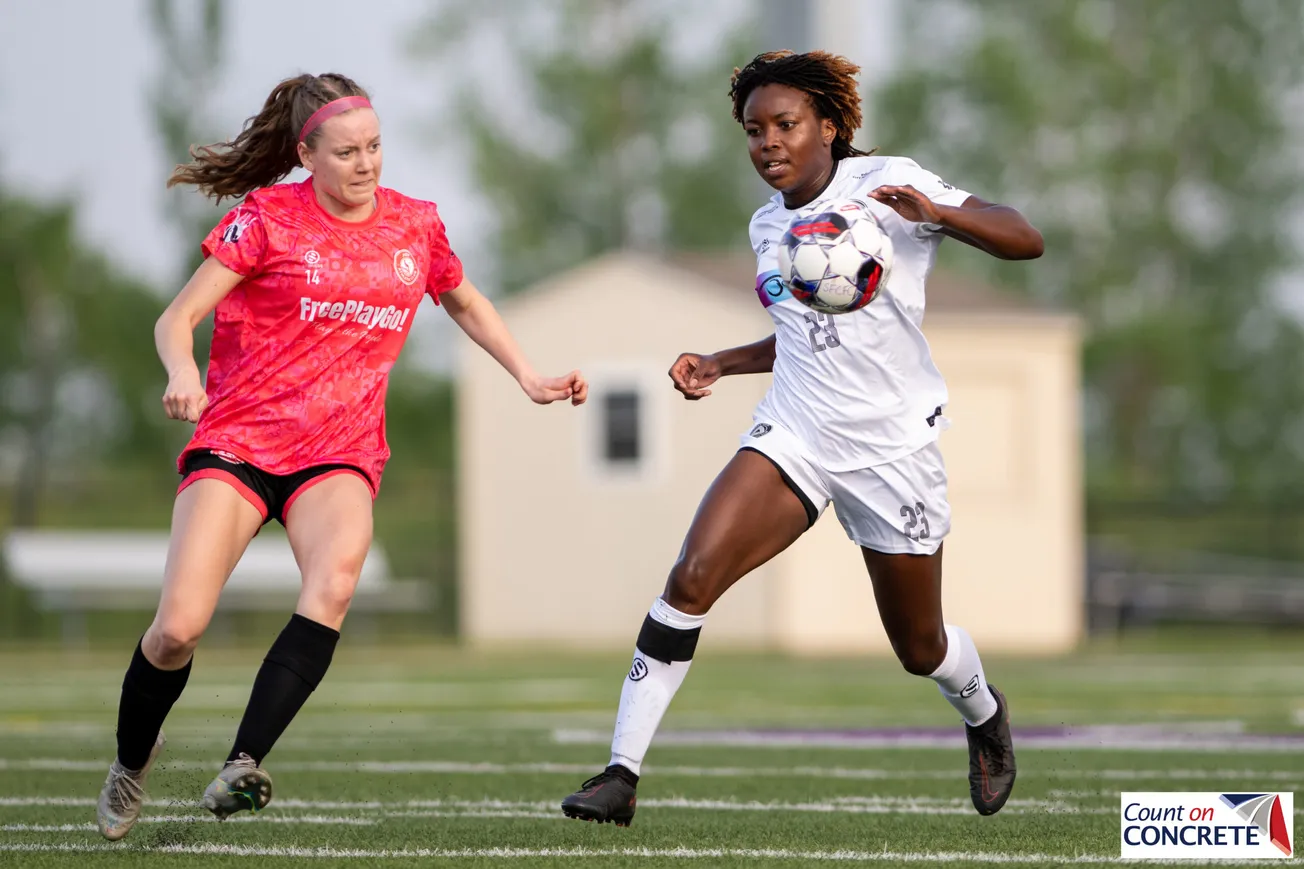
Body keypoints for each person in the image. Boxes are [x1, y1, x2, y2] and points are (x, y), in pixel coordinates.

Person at [95, 72, 587, 841]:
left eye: (376, 147)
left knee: (334, 583)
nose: (367, 163)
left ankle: (241, 762)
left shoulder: (415, 226)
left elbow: (461, 297)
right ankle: (131, 760)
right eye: (349, 151)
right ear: (308, 155)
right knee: (177, 630)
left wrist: (527, 373)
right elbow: (177, 316)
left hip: (339, 451)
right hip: (239, 441)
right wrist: (183, 369)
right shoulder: (267, 219)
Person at [561, 50, 1043, 827]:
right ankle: (620, 774)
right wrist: (723, 360)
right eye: (754, 130)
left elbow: (1026, 238)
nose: (768, 144)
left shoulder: (889, 185)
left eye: (784, 124)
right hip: (798, 432)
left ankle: (984, 712)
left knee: (920, 648)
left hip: (891, 450)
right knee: (692, 575)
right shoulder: (766, 224)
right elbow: (800, 333)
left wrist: (940, 214)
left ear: (828, 124)